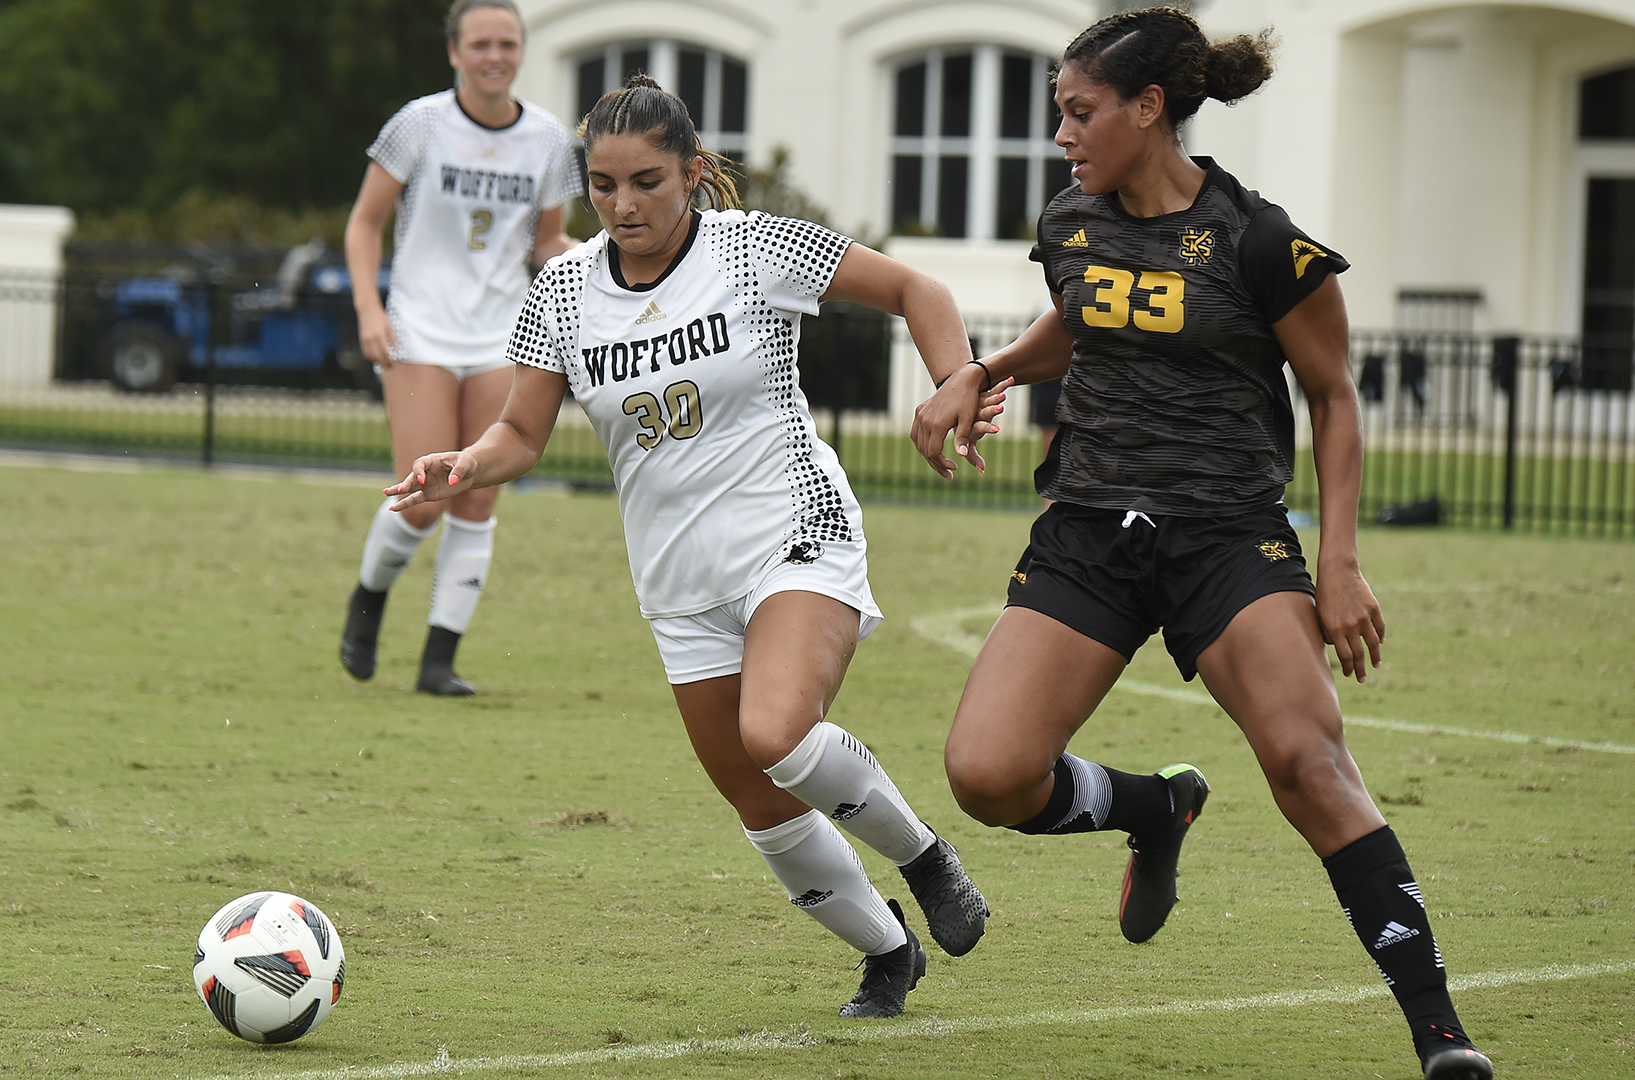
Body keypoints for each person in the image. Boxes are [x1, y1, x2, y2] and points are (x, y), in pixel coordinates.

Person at [929, 9, 1495, 1079]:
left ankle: (1441, 1033)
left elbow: (1333, 394)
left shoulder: (1260, 240)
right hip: (1091, 529)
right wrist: (986, 370)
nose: (1063, 133)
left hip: (1229, 538)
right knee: (988, 775)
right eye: (1059, 112)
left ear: (1150, 110)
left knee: (1308, 764)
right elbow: (1079, 318)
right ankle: (1157, 805)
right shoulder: (1070, 219)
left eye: (1079, 111)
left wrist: (1336, 560)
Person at [386, 75, 1000, 1018]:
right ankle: (887, 950)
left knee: (777, 734)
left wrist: (956, 379)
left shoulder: (756, 247)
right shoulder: (561, 290)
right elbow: (520, 433)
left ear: (694, 174)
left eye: (647, 182)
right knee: (759, 800)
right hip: (677, 578)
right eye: (602, 184)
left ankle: (925, 857)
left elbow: (918, 289)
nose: (624, 205)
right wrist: (463, 466)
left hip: (795, 533)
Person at [339, 0, 580, 695]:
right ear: (454, 53)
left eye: (506, 42)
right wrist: (369, 309)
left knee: (476, 499)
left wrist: (604, 256)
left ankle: (438, 660)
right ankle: (367, 603)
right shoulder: (419, 124)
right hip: (420, 329)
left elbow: (544, 243)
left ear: (522, 52)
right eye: (480, 44)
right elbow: (364, 225)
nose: (494, 55)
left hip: (502, 335)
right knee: (425, 497)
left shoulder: (547, 138)